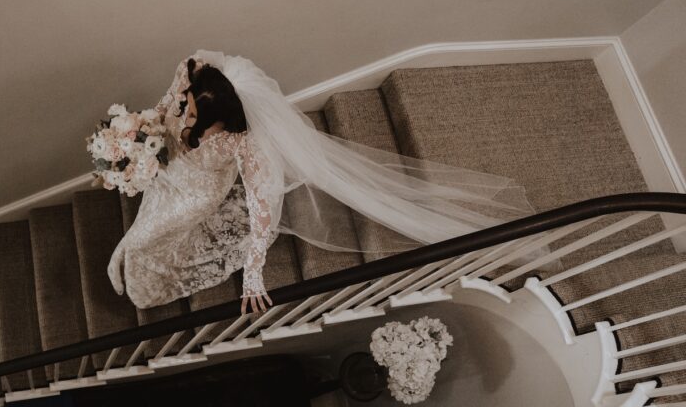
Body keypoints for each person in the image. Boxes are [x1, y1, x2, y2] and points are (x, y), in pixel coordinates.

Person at [107, 50, 535, 315]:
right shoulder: (190, 79)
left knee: (154, 235)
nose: (183, 116)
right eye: (186, 106)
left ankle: (145, 279)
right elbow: (165, 108)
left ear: (227, 122)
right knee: (149, 222)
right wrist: (136, 142)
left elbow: (260, 211)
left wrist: (253, 275)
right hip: (169, 175)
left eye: (198, 118)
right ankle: (131, 255)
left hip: (198, 196)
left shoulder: (246, 144)